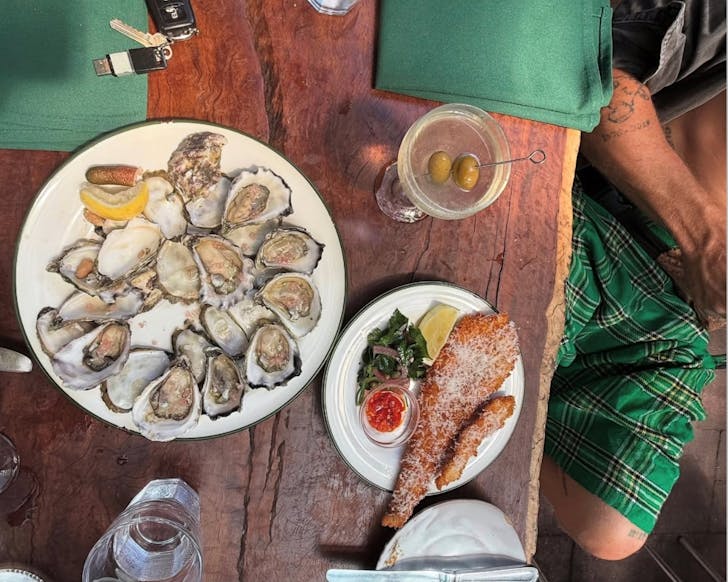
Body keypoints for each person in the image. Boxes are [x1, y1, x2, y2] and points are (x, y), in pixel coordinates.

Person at [540, 0, 726, 561]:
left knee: (612, 526)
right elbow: (593, 72)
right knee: (510, 307)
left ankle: (489, 411)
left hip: (674, 311)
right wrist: (705, 240)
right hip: (622, 204)